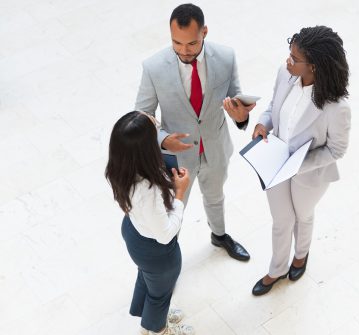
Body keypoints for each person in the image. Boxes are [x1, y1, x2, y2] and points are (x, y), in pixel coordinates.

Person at [135, 3, 254, 261]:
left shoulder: (225, 57)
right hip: (177, 158)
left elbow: (235, 99)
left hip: (215, 148)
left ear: (204, 32)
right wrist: (163, 139)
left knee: (216, 196)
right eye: (176, 43)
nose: (183, 51)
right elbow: (142, 116)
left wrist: (241, 117)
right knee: (173, 208)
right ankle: (168, 258)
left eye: (190, 44)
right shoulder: (153, 67)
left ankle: (219, 235)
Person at [248, 26, 351, 296]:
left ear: (314, 67)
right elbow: (273, 107)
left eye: (294, 59)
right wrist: (262, 124)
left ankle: (301, 255)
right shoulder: (285, 74)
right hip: (274, 164)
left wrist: (298, 164)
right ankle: (276, 269)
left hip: (309, 174)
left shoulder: (337, 107)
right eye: (289, 54)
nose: (287, 61)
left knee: (302, 216)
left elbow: (337, 149)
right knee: (282, 219)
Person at [105, 111, 195, 335]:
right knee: (160, 294)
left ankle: (150, 318)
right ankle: (159, 329)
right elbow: (165, 234)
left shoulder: (120, 167)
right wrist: (180, 194)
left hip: (134, 232)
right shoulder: (148, 189)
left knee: (147, 279)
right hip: (157, 249)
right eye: (155, 132)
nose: (158, 130)